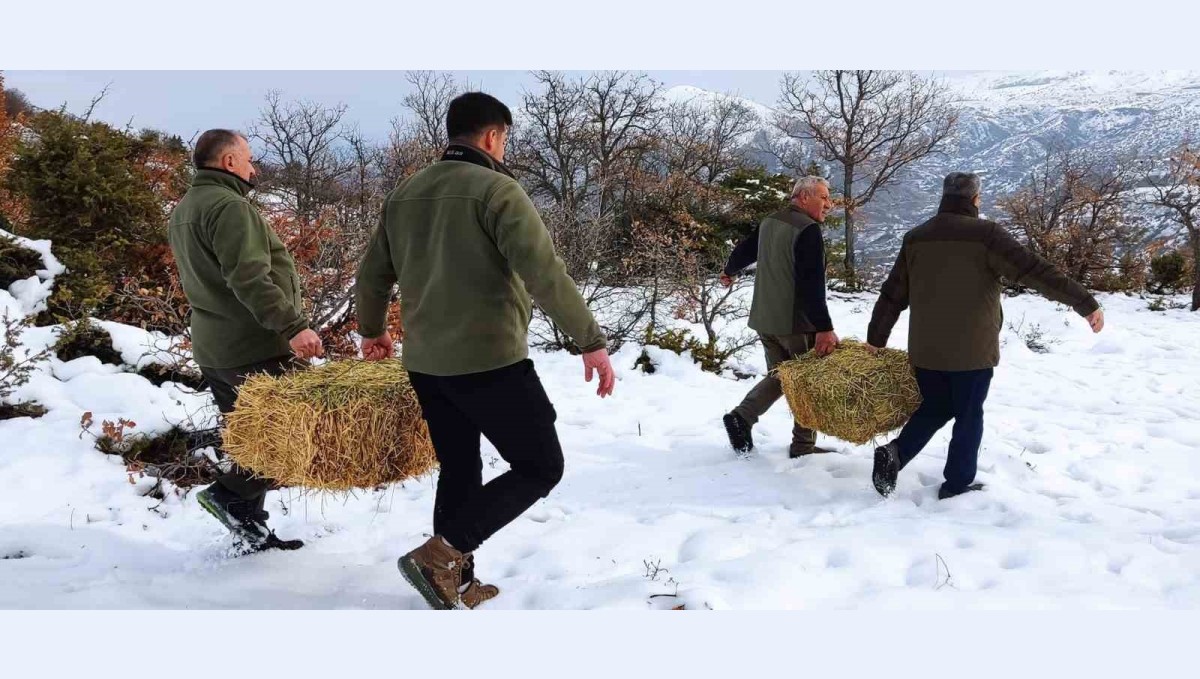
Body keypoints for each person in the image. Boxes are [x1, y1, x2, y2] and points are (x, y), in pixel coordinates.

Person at [355, 92, 615, 609]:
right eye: (505, 139)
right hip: (490, 360)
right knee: (540, 466)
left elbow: (372, 274)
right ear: (493, 136)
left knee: (459, 467)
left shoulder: (406, 193)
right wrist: (590, 340)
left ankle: (455, 580)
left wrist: (373, 330)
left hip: (426, 363)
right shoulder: (497, 191)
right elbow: (544, 272)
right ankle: (441, 555)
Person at [866, 171, 1104, 500]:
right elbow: (1035, 270)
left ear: (944, 197)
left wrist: (875, 339)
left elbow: (893, 294)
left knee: (935, 406)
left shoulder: (917, 238)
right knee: (968, 414)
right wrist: (1084, 302)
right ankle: (957, 484)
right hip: (972, 350)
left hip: (926, 350)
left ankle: (896, 453)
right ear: (975, 199)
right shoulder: (986, 236)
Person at [168, 128, 323, 551]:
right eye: (249, 159)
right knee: (289, 433)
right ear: (229, 162)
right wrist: (293, 326)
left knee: (251, 438)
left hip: (215, 348)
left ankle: (250, 530)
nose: (254, 168)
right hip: (254, 348)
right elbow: (249, 279)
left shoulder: (185, 208)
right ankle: (229, 496)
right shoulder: (230, 207)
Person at [720, 176, 839, 458]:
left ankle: (742, 417)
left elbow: (745, 250)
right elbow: (812, 284)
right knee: (806, 381)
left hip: (765, 319)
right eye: (823, 198)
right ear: (804, 197)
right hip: (795, 322)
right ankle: (803, 446)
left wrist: (729, 270)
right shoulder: (807, 229)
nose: (829, 205)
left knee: (782, 377)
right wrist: (824, 328)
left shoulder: (771, 221)